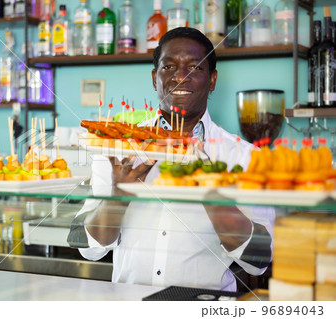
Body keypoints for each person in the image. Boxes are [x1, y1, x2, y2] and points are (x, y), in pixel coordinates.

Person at [68, 27, 274, 291]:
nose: (180, 77)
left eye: (195, 68)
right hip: (130, 306)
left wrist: (214, 199)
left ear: (212, 80)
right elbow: (88, 249)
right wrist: (117, 197)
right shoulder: (116, 149)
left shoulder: (245, 157)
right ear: (155, 78)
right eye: (168, 67)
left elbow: (259, 261)